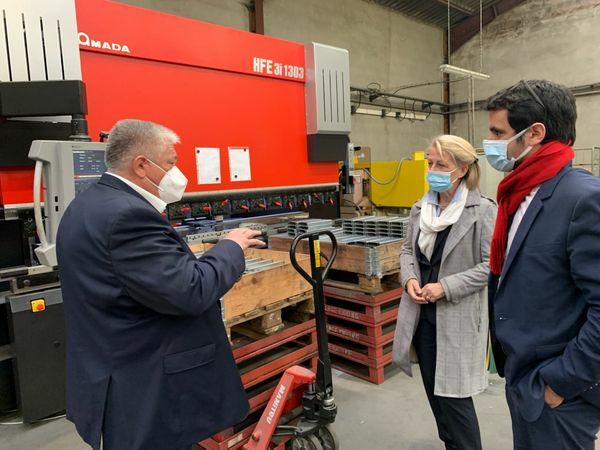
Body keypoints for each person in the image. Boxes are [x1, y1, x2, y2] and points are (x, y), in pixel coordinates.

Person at [56, 119, 265, 450]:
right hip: (145, 386)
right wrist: (231, 247)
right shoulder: (128, 217)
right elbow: (191, 290)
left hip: (108, 369)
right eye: (170, 163)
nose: (176, 173)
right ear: (142, 165)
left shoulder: (86, 204)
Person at [484, 80, 600, 449]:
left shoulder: (582, 199)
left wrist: (558, 384)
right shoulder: (519, 193)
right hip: (523, 378)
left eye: (498, 132)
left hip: (559, 395)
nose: (490, 142)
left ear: (534, 133)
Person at [393, 135, 496, 450]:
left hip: (457, 319)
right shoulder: (420, 208)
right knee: (436, 397)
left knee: (455, 401)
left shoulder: (482, 211)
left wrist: (445, 287)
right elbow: (407, 251)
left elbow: (491, 266)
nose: (432, 170)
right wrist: (410, 278)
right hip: (423, 317)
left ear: (462, 169)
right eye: (430, 163)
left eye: (441, 164)